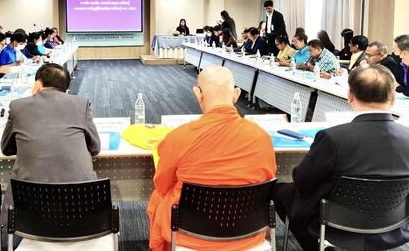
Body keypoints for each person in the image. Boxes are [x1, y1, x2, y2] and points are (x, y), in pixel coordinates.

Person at [275, 65, 409, 251]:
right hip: (392, 224)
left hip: (334, 223)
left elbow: (302, 181)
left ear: (350, 96)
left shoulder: (333, 138)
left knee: (282, 191)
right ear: (393, 98)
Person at [147, 66, 276, 251]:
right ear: (236, 95)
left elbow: (162, 184)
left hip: (188, 236)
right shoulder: (262, 138)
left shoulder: (179, 137)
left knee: (159, 197)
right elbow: (267, 179)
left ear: (198, 94)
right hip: (248, 236)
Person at [1, 63, 100, 214]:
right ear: (66, 89)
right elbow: (95, 147)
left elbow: (6, 149)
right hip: (80, 205)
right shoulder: (81, 104)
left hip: (29, 208)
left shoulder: (17, 106)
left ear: (37, 84)